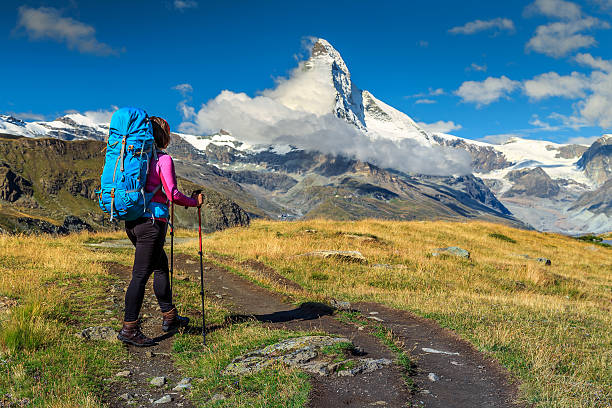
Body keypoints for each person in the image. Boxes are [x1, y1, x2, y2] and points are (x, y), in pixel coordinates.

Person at [118, 116, 203, 347]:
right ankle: (129, 328)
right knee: (140, 275)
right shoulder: (163, 159)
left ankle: (170, 316)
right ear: (163, 136)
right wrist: (194, 202)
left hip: (132, 222)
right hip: (152, 224)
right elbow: (173, 194)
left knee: (160, 267)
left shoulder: (131, 157)